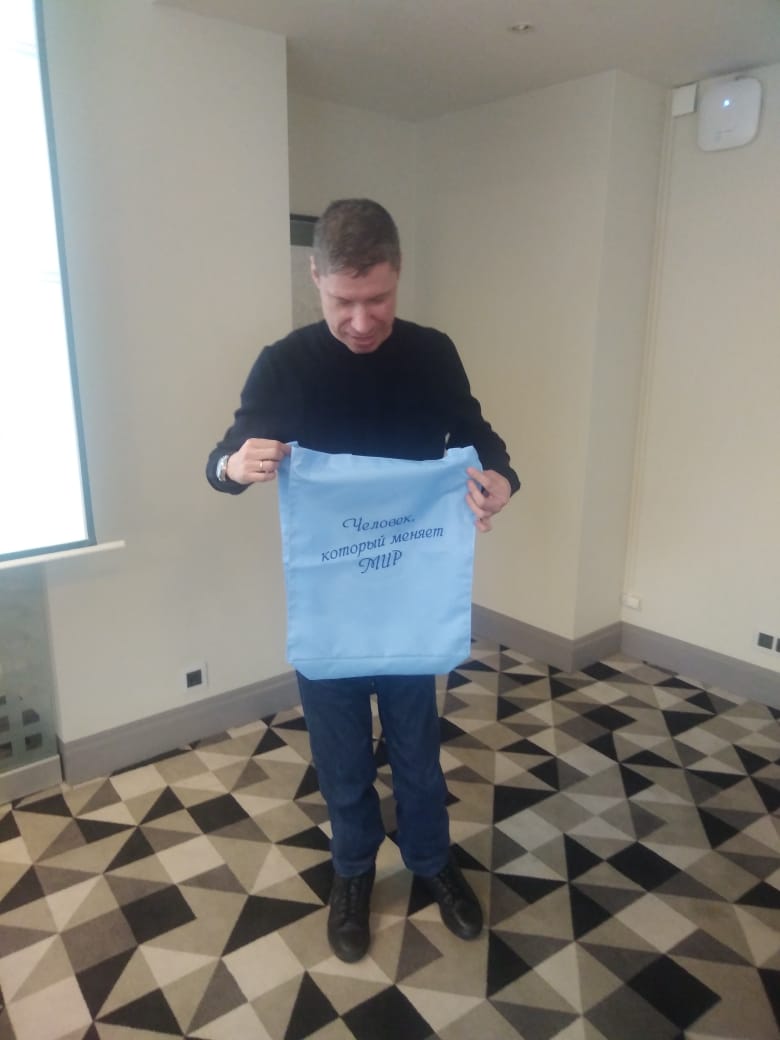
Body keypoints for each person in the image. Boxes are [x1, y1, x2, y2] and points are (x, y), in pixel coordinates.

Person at [207, 199, 520, 963]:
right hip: (332, 607)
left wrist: (501, 479)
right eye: (343, 301)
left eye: (377, 299)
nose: (360, 320)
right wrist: (234, 466)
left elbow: (478, 436)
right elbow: (224, 455)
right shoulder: (285, 364)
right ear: (315, 277)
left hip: (410, 600)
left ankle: (431, 859)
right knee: (342, 753)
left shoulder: (432, 354)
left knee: (417, 748)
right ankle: (353, 871)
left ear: (398, 274)